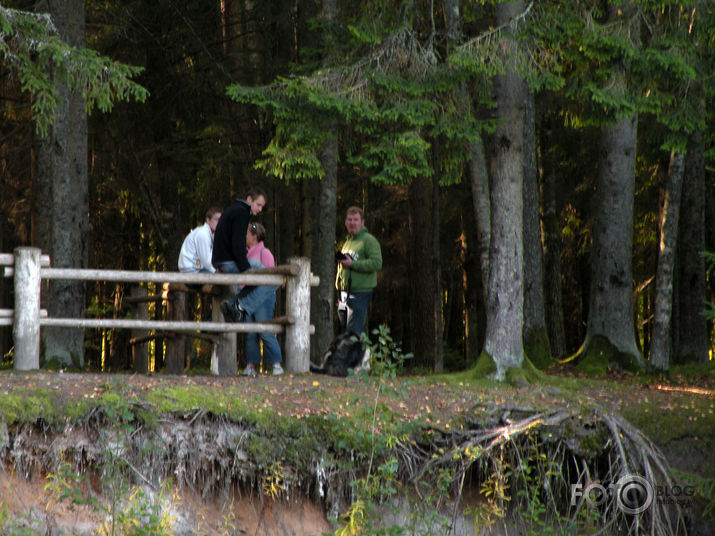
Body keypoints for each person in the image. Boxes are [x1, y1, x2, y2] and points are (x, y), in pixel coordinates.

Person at [212, 187, 273, 323]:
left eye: (262, 207)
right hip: (228, 262)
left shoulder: (234, 210)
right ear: (249, 199)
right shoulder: (241, 212)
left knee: (260, 279)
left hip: (222, 261)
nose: (260, 209)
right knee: (271, 279)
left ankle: (233, 303)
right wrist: (245, 268)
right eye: (258, 205)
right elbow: (238, 244)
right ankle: (240, 306)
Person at [243, 222, 283, 377]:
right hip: (247, 298)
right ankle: (251, 365)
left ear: (254, 236)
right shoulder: (244, 254)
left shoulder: (264, 254)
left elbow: (271, 279)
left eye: (246, 234)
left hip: (263, 299)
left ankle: (276, 364)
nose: (243, 237)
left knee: (265, 330)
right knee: (250, 332)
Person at [335, 206, 382, 334]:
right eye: (349, 220)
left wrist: (353, 264)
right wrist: (339, 292)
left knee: (353, 334)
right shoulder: (348, 242)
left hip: (360, 293)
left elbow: (377, 263)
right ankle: (355, 354)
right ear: (345, 222)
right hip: (344, 295)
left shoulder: (369, 241)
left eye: (356, 220)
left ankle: (358, 354)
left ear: (362, 222)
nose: (352, 223)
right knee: (346, 334)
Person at [178, 207, 222, 274]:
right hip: (191, 270)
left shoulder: (210, 234)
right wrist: (217, 272)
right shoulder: (203, 234)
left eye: (221, 220)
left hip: (197, 268)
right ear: (208, 220)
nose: (219, 223)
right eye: (216, 220)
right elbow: (207, 262)